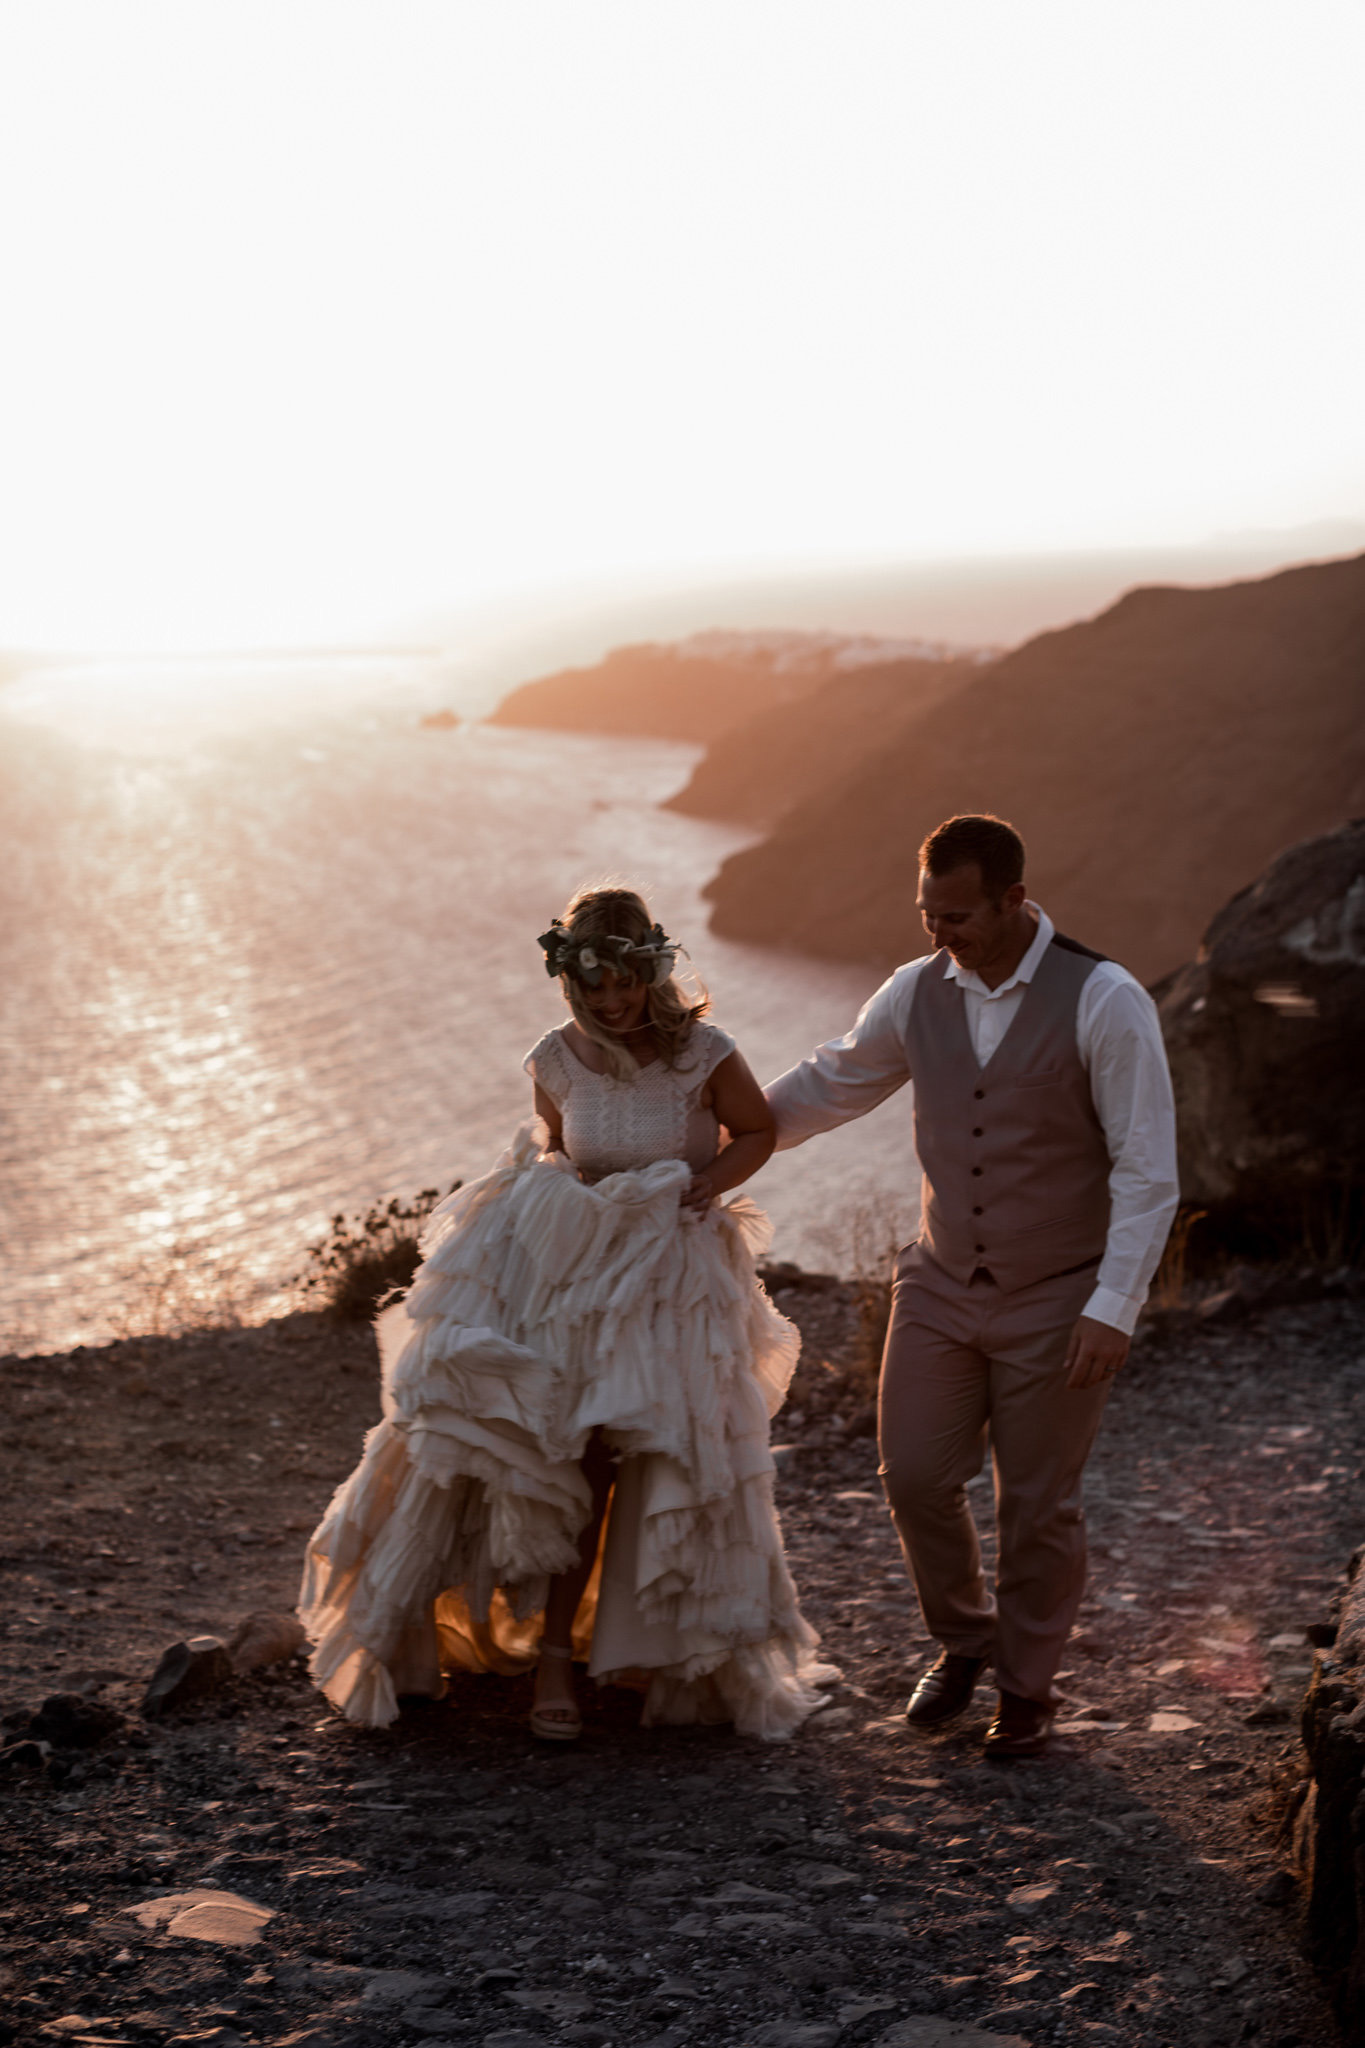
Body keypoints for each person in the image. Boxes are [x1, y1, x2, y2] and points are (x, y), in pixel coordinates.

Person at [299, 883, 835, 1741]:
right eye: (595, 993)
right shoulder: (554, 1057)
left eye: (625, 988)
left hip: (672, 1278)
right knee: (566, 1454)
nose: (613, 1005)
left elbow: (758, 1132)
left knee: (666, 1464)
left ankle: (653, 1645)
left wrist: (708, 1185)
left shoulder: (704, 1051)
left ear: (652, 974)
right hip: (576, 1278)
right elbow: (557, 1153)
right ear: (572, 987)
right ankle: (552, 1652)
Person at [764, 814, 1178, 1756]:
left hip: (1059, 1294)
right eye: (925, 913)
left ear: (1012, 901)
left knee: (1037, 1504)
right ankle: (965, 1638)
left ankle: (1027, 1691)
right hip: (941, 1281)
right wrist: (709, 1144)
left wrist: (1112, 1307)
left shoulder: (1104, 998)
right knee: (912, 1475)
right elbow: (833, 1081)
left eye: (954, 916)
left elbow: (1147, 1171)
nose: (935, 933)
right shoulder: (914, 992)